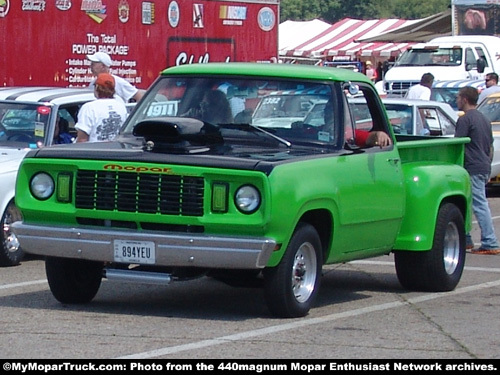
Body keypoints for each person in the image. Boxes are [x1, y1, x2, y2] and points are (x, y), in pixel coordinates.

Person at [455, 86, 500, 255]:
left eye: (459, 97)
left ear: (465, 99)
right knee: (467, 203)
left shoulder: (465, 120)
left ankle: (490, 241)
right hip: (483, 165)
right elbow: (489, 146)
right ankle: (466, 239)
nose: (457, 101)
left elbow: (458, 145)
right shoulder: (484, 119)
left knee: (479, 204)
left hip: (471, 166)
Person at [75, 73, 128, 143]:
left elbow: (82, 140)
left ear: (96, 87)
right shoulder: (121, 106)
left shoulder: (89, 108)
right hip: (116, 150)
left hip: (94, 152)